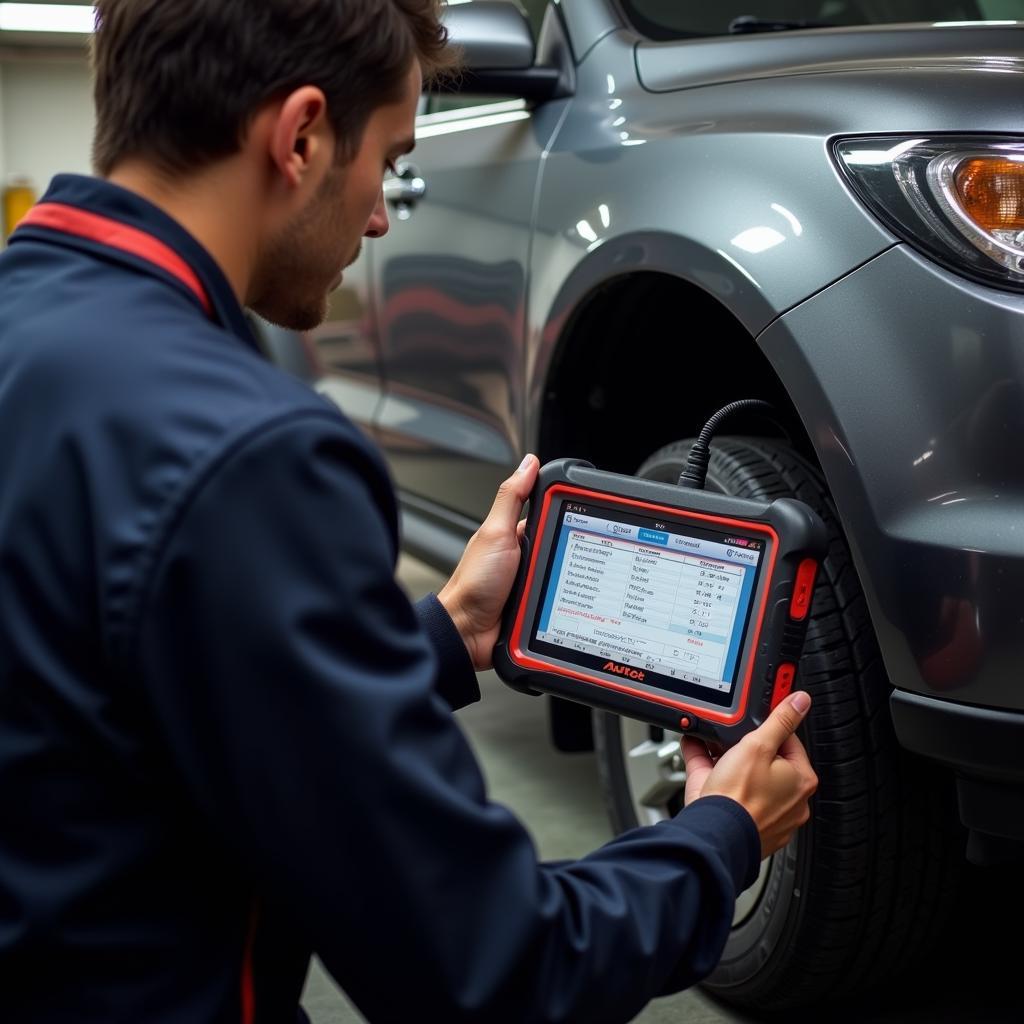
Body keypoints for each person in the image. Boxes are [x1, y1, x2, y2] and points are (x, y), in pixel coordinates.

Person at [0, 1, 818, 1021]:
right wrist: (718, 835)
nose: (384, 215)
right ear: (300, 137)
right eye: (387, 162)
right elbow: (490, 967)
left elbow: (132, 686)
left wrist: (438, 635)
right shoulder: (254, 456)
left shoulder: (32, 326)